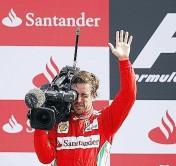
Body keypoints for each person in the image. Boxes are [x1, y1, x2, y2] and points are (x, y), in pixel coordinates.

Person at [33, 30, 137, 166]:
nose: (78, 100)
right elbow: (45, 158)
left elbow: (128, 96)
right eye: (75, 94)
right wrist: (40, 124)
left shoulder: (105, 120)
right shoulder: (58, 120)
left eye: (84, 95)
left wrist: (124, 61)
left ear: (94, 95)